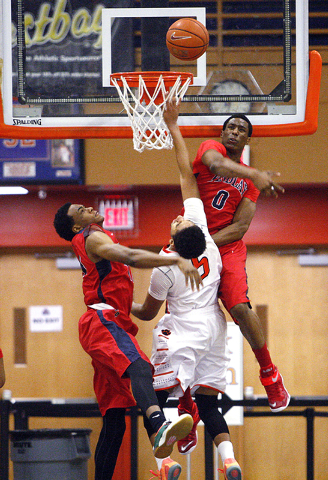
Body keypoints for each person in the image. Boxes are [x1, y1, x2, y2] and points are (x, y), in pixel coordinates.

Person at [132, 99, 242, 480]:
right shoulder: (205, 238)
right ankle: (229, 459)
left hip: (183, 328)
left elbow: (147, 312)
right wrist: (174, 128)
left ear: (177, 243)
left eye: (177, 223)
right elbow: (186, 176)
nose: (178, 217)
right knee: (210, 403)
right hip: (216, 327)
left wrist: (124, 306)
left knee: (161, 394)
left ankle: (167, 459)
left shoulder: (165, 265)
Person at [53, 203, 203, 480]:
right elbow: (131, 256)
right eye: (80, 209)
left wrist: (130, 306)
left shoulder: (98, 237)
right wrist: (175, 259)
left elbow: (128, 297)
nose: (87, 207)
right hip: (101, 322)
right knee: (141, 367)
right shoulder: (90, 236)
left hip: (111, 321)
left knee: (114, 421)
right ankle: (159, 427)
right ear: (76, 225)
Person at [186, 113, 290, 413]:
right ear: (222, 133)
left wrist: (204, 246)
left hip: (226, 247)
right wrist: (254, 173)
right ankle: (185, 406)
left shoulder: (250, 182)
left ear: (247, 139)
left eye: (241, 130)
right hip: (192, 243)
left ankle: (269, 373)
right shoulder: (211, 150)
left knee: (240, 308)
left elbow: (240, 227)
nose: (234, 132)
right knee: (182, 319)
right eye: (230, 127)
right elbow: (216, 166)